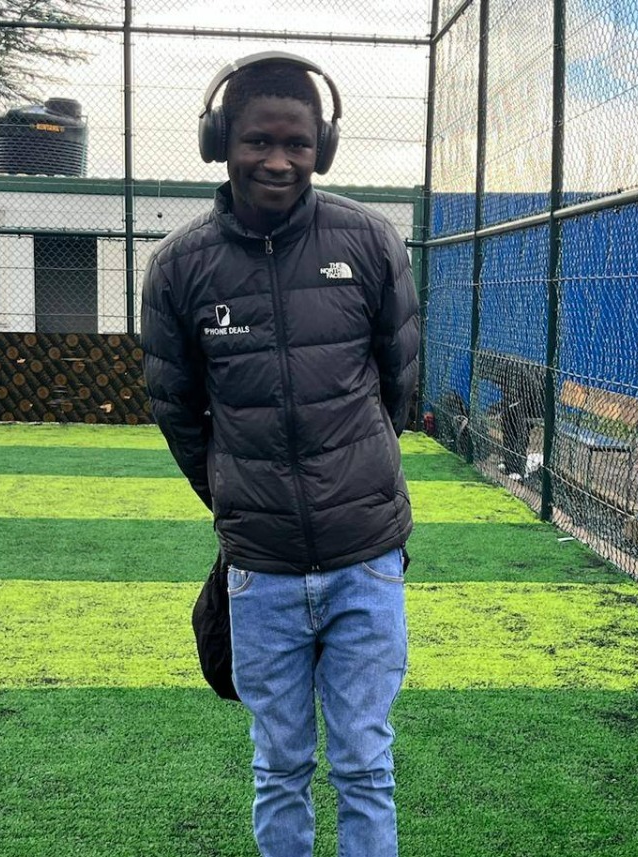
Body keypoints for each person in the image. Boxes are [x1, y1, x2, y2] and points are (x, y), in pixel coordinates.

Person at [141, 52, 419, 857]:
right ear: (220, 143)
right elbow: (177, 411)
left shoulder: (369, 240)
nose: (277, 159)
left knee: (365, 764)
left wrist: (351, 481)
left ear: (321, 147)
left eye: (297, 142)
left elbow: (398, 383)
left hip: (366, 559)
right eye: (257, 140)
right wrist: (242, 492)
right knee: (279, 765)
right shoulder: (179, 267)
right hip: (259, 570)